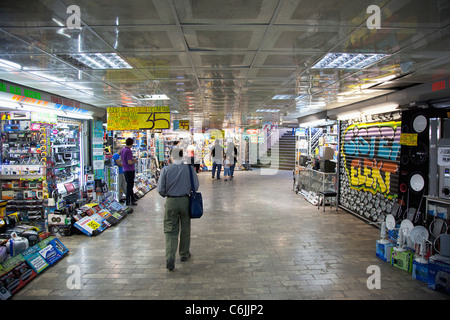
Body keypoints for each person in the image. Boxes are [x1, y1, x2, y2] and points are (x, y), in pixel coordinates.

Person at [157, 147, 199, 271]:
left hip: (171, 202)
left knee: (170, 230)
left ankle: (170, 257)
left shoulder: (166, 170)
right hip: (186, 201)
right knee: (185, 228)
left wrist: (167, 194)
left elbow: (160, 189)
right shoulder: (190, 169)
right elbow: (195, 186)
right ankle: (184, 254)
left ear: (172, 156)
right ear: (182, 156)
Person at [120, 138, 138, 207]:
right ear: (132, 143)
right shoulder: (129, 151)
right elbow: (129, 162)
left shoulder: (123, 150)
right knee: (130, 186)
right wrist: (134, 161)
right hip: (130, 170)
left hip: (125, 169)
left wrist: (131, 159)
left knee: (129, 185)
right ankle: (129, 201)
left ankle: (131, 200)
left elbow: (123, 159)